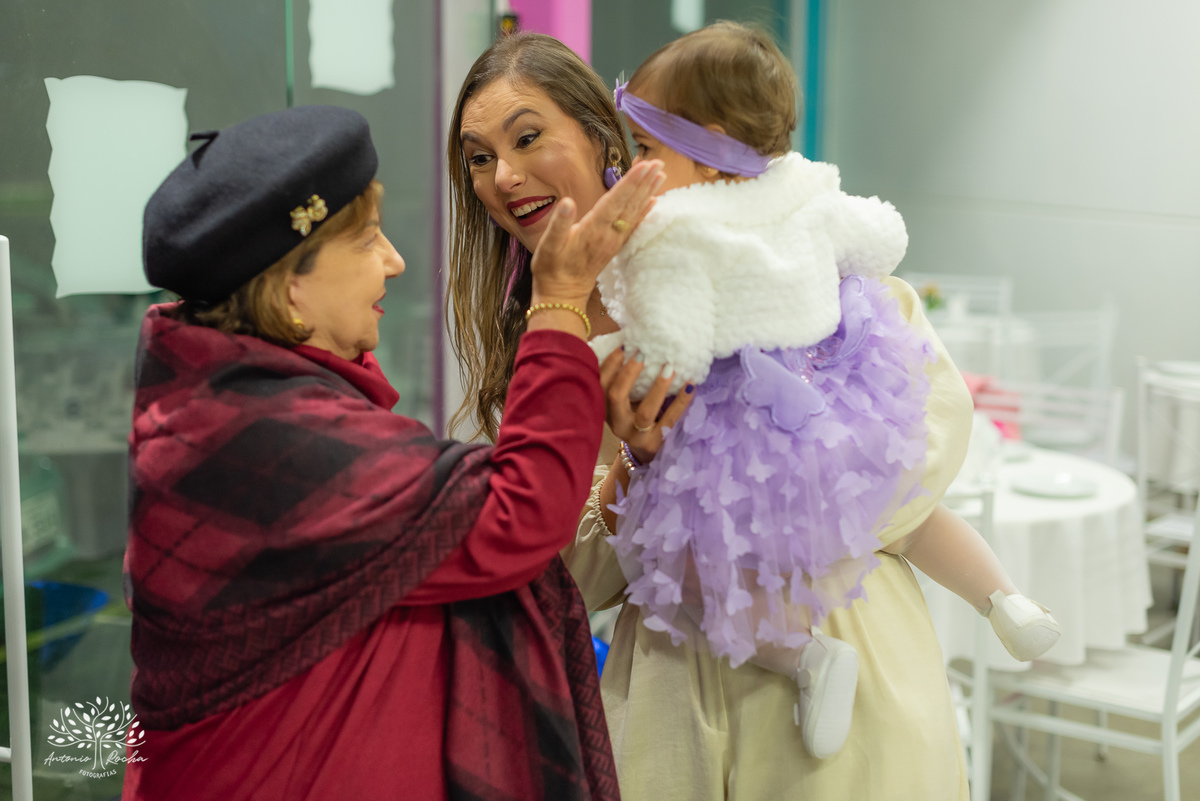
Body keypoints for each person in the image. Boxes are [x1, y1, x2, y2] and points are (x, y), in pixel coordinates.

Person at [444, 30, 1031, 800]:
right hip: (672, 705)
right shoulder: (543, 348)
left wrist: (783, 510)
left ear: (604, 137)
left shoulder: (791, 264)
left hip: (848, 671)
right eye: (479, 158)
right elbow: (563, 583)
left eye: (527, 138)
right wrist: (638, 466)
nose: (504, 176)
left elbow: (931, 433)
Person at [121, 103, 664, 801]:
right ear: (292, 291)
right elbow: (522, 512)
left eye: (529, 138)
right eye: (370, 239)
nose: (396, 261)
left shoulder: (223, 401)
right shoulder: (259, 442)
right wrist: (557, 300)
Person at [587, 21, 1062, 762]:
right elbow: (879, 238)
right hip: (830, 400)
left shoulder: (672, 232)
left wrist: (634, 362)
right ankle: (1004, 596)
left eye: (647, 149)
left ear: (706, 147)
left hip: (733, 433)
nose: (635, 172)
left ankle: (802, 655)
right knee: (912, 516)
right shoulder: (807, 192)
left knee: (685, 563)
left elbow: (671, 345)